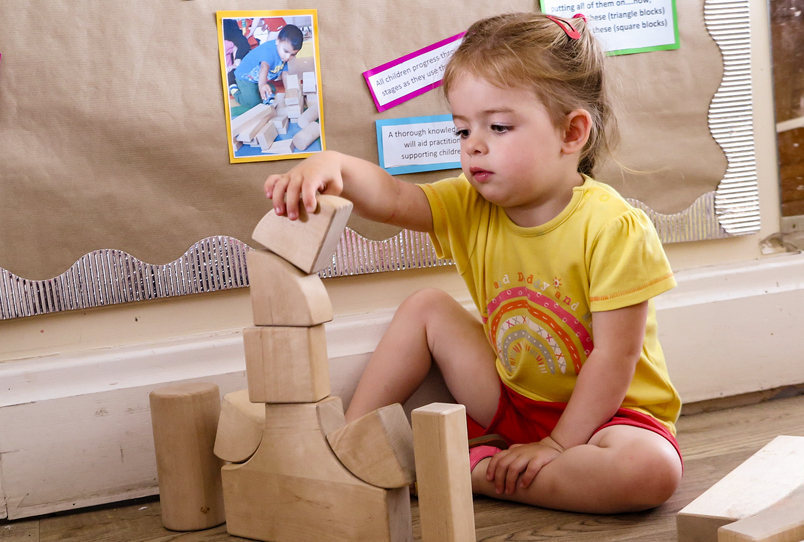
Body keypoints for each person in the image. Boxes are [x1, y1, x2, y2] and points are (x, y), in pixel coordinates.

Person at [263, 12, 683, 514]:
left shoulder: (613, 227)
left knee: (649, 472)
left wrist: (557, 445)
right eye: (463, 130)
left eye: (499, 126)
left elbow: (615, 359)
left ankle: (469, 473)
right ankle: (349, 447)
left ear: (572, 133)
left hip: (610, 418)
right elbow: (393, 197)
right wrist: (332, 164)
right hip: (512, 400)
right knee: (426, 306)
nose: (474, 145)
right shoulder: (471, 204)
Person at [230, 23, 302, 113]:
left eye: (293, 54)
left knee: (270, 90)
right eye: (286, 51)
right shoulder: (269, 51)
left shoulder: (283, 55)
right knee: (254, 103)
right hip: (244, 77)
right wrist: (262, 84)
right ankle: (234, 88)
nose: (288, 57)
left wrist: (290, 92)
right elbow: (264, 66)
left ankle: (259, 87)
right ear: (277, 41)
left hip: (257, 78)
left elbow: (285, 74)